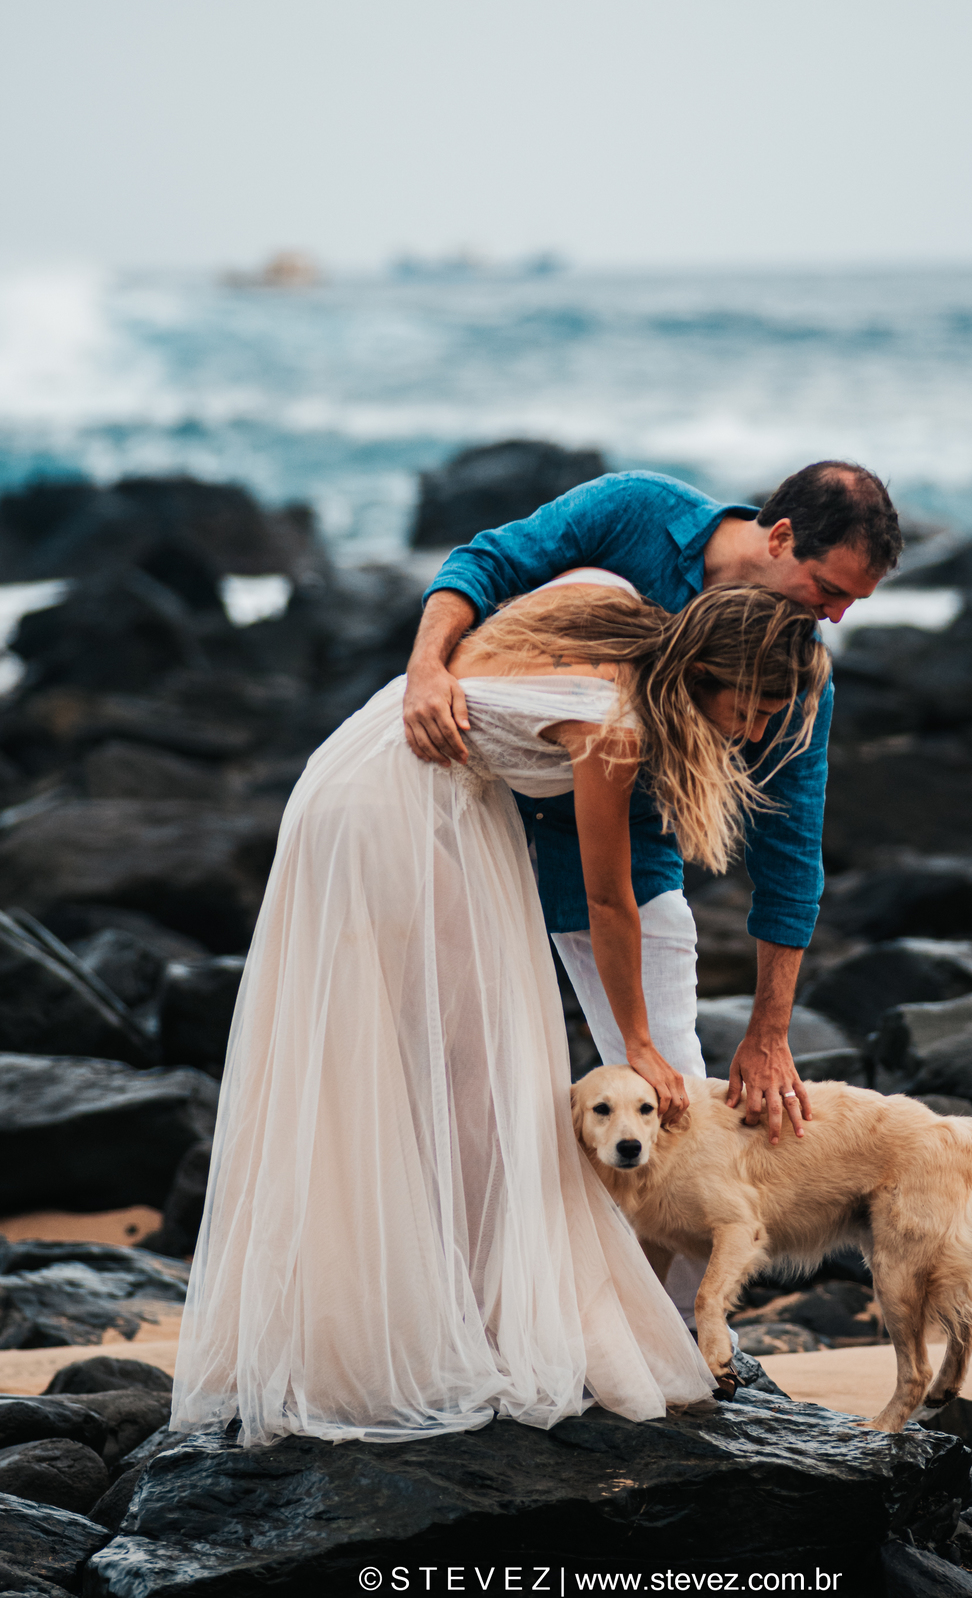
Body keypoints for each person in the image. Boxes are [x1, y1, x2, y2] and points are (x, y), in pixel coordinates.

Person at [171, 575, 830, 1447]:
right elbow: (608, 900)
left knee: (441, 1075)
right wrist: (638, 1041)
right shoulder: (615, 726)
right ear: (707, 671)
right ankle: (462, 1324)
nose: (751, 732)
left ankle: (446, 1305)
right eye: (750, 708)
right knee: (480, 1084)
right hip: (400, 815)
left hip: (374, 778)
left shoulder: (607, 613)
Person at [403, 461, 902, 1146]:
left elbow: (790, 845)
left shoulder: (797, 671)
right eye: (829, 589)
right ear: (781, 537)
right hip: (475, 808)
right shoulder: (635, 511)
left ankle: (680, 1255)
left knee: (678, 1111)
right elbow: (488, 562)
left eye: (854, 604)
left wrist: (769, 1031)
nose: (836, 616)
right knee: (465, 1089)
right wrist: (426, 669)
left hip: (630, 854)